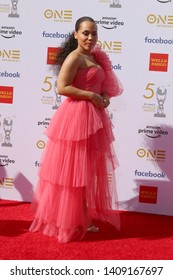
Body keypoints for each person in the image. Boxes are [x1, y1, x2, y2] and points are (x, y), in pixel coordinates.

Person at [29, 16, 123, 243]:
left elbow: (104, 85)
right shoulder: (74, 57)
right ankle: (69, 220)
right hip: (76, 119)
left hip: (94, 120)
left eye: (94, 34)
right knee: (74, 174)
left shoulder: (94, 57)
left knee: (86, 172)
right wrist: (90, 95)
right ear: (76, 34)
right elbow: (62, 87)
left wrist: (104, 95)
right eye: (85, 33)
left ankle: (81, 217)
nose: (90, 38)